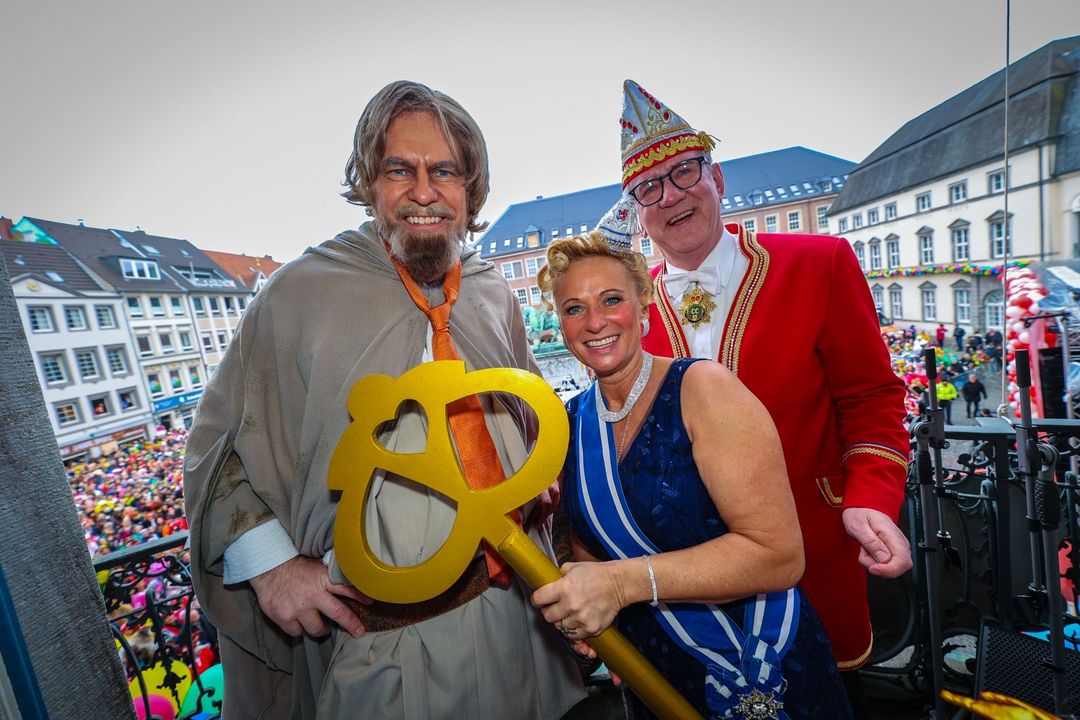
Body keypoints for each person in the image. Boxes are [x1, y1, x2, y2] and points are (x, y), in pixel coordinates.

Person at [183, 81, 584, 719]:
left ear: (471, 190)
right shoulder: (298, 296)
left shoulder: (490, 294)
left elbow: (537, 424)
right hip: (387, 648)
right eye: (401, 169)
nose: (423, 191)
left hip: (522, 625)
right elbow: (217, 452)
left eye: (444, 171)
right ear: (369, 181)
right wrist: (273, 568)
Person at [616, 80, 911, 715]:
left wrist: (872, 499)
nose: (671, 195)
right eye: (649, 188)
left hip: (813, 550)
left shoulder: (820, 263)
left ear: (716, 177)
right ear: (637, 212)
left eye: (684, 171)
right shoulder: (629, 315)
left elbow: (872, 399)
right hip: (691, 583)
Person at [532, 231, 852, 719]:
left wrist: (619, 586)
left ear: (644, 308)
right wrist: (597, 622)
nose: (594, 322)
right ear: (561, 324)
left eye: (611, 300)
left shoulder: (703, 389)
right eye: (574, 308)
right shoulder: (568, 425)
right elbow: (591, 556)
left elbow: (779, 557)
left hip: (762, 658)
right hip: (655, 672)